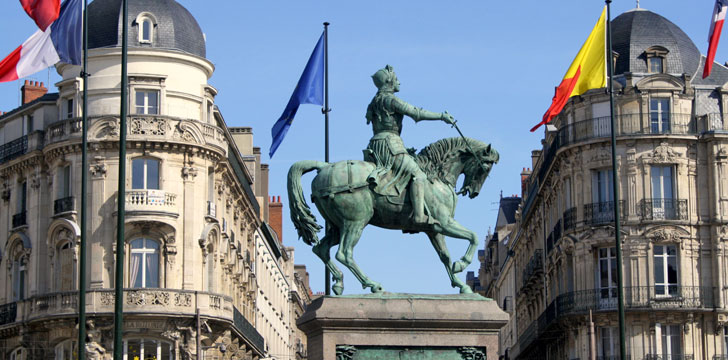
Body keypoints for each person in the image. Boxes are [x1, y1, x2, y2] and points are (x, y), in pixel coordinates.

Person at [364, 65, 455, 225]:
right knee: (418, 175)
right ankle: (419, 216)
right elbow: (416, 113)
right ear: (389, 81)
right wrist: (441, 116)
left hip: (375, 146)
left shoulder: (374, 102)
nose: (399, 82)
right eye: (396, 79)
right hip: (391, 145)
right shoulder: (390, 99)